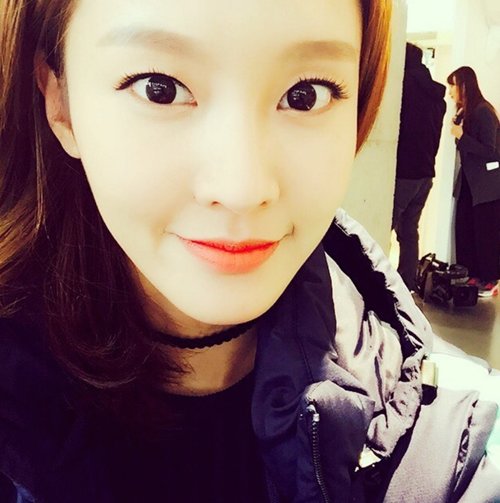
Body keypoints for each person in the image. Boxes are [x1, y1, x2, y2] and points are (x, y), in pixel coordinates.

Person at [0, 1, 499, 502]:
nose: (242, 188)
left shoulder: (451, 437)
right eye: (159, 88)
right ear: (60, 102)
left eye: (305, 95)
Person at [392, 43, 446, 291]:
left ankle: (371, 283)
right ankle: (406, 283)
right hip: (425, 173)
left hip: (404, 171)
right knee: (409, 231)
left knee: (384, 225)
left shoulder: (402, 87)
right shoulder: (436, 96)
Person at [447, 66, 500, 298]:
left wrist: (462, 136)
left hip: (486, 186)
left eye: (453, 86)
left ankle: (489, 279)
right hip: (471, 182)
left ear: (464, 86)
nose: (450, 92)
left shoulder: (483, 112)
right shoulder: (468, 112)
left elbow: (490, 151)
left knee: (484, 232)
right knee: (466, 227)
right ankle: (473, 274)